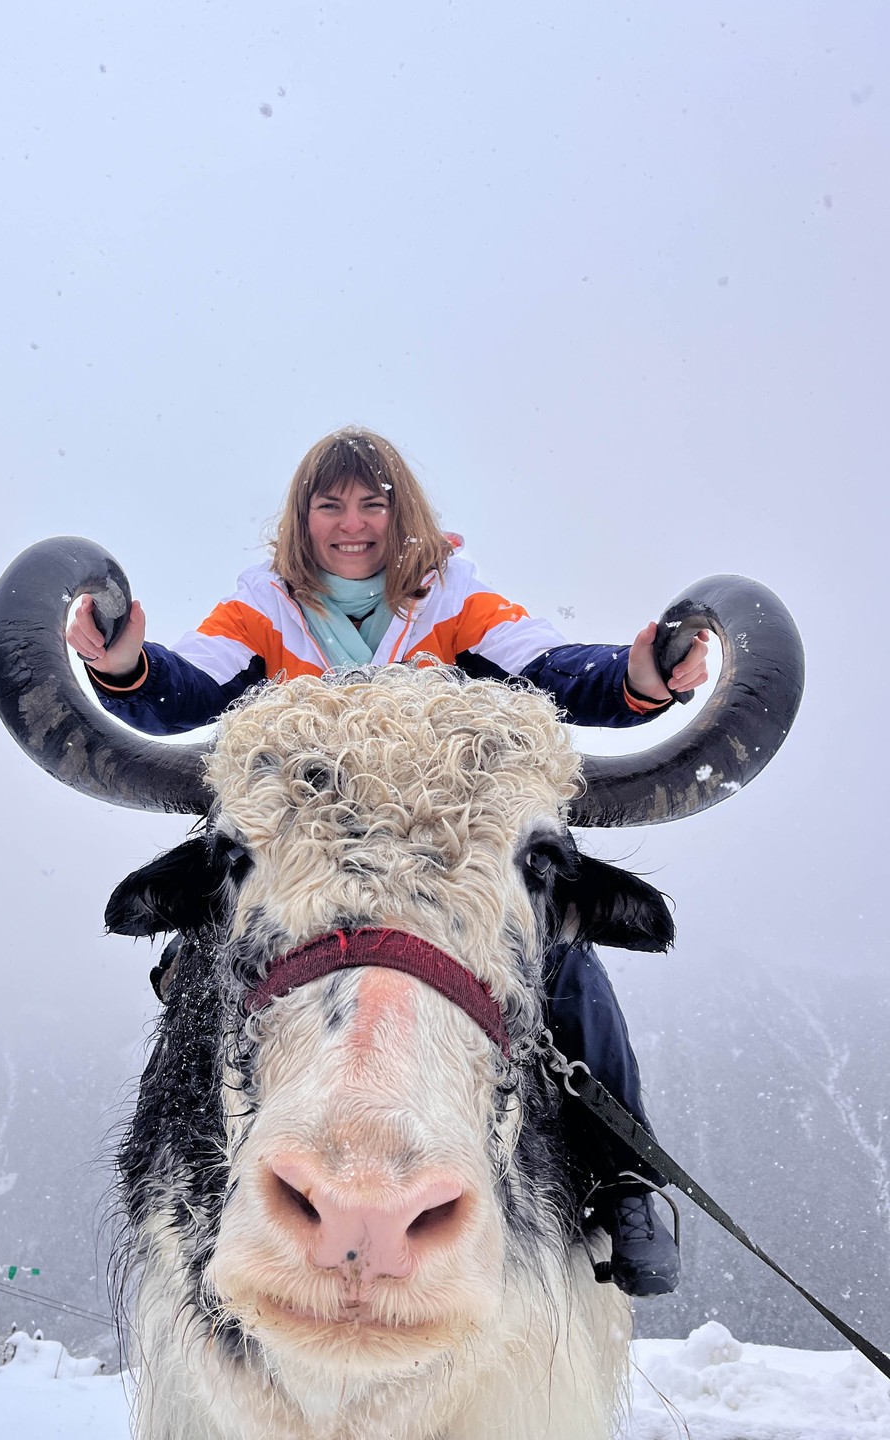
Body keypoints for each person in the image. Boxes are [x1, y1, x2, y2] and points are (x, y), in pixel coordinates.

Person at [67, 427, 709, 1297]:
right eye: (330, 505)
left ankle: (623, 1180)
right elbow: (189, 685)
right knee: (202, 966)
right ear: (301, 520)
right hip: (306, 869)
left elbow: (550, 669)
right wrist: (125, 665)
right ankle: (174, 1166)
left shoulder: (454, 600)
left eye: (373, 504)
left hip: (441, 868)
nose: (352, 524)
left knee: (565, 964)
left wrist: (636, 677)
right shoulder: (265, 606)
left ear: (402, 515)